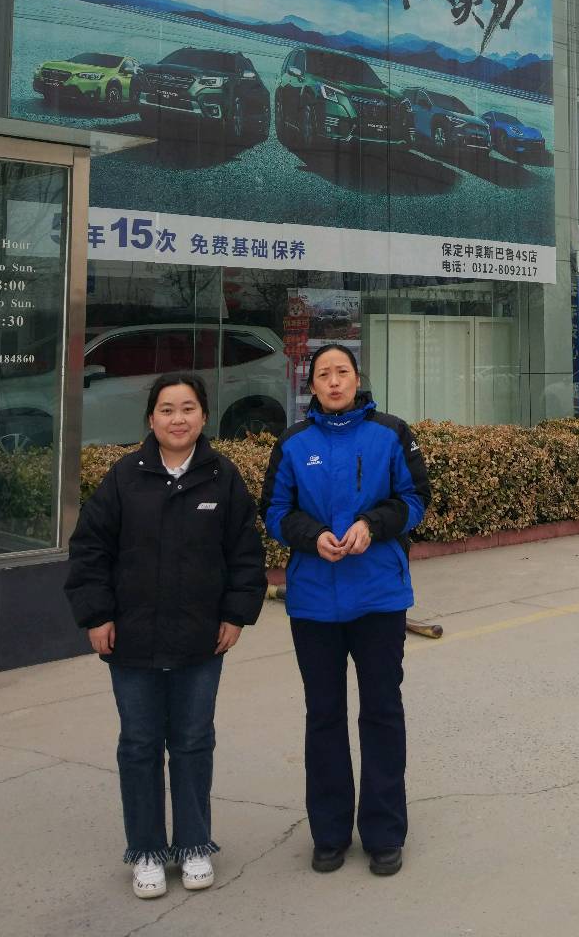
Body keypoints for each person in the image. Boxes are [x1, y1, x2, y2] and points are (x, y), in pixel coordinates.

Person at [64, 373, 267, 900]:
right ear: (151, 418)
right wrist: (96, 616)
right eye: (167, 409)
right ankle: (147, 850)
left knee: (194, 741)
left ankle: (195, 843)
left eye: (189, 408)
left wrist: (236, 614)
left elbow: (245, 554)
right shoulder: (124, 477)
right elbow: (90, 550)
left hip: (202, 639)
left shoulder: (222, 477)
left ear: (204, 416)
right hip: (131, 640)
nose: (179, 419)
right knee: (139, 744)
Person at [261, 344, 430, 877]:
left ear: (358, 379)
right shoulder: (293, 443)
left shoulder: (391, 433)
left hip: (378, 596)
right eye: (323, 375)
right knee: (324, 715)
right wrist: (312, 536)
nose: (334, 382)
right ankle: (330, 832)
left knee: (381, 712)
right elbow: (275, 511)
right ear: (311, 385)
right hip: (314, 601)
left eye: (342, 372)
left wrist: (371, 525)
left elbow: (415, 500)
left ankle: (384, 832)